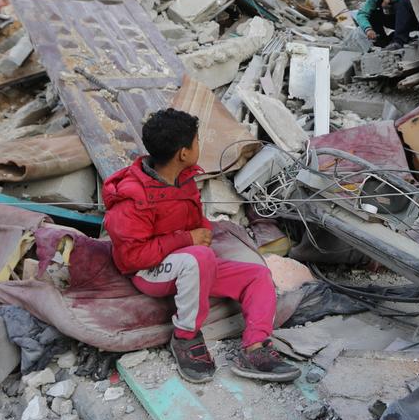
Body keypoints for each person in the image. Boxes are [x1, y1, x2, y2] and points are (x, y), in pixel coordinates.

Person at [103, 108, 300, 385]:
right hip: (148, 271)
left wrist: (201, 233)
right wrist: (188, 240)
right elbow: (133, 257)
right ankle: (185, 338)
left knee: (257, 274)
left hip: (189, 262)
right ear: (183, 152)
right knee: (199, 256)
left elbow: (197, 222)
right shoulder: (132, 198)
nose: (200, 146)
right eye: (197, 141)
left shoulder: (184, 178)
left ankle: (255, 349)